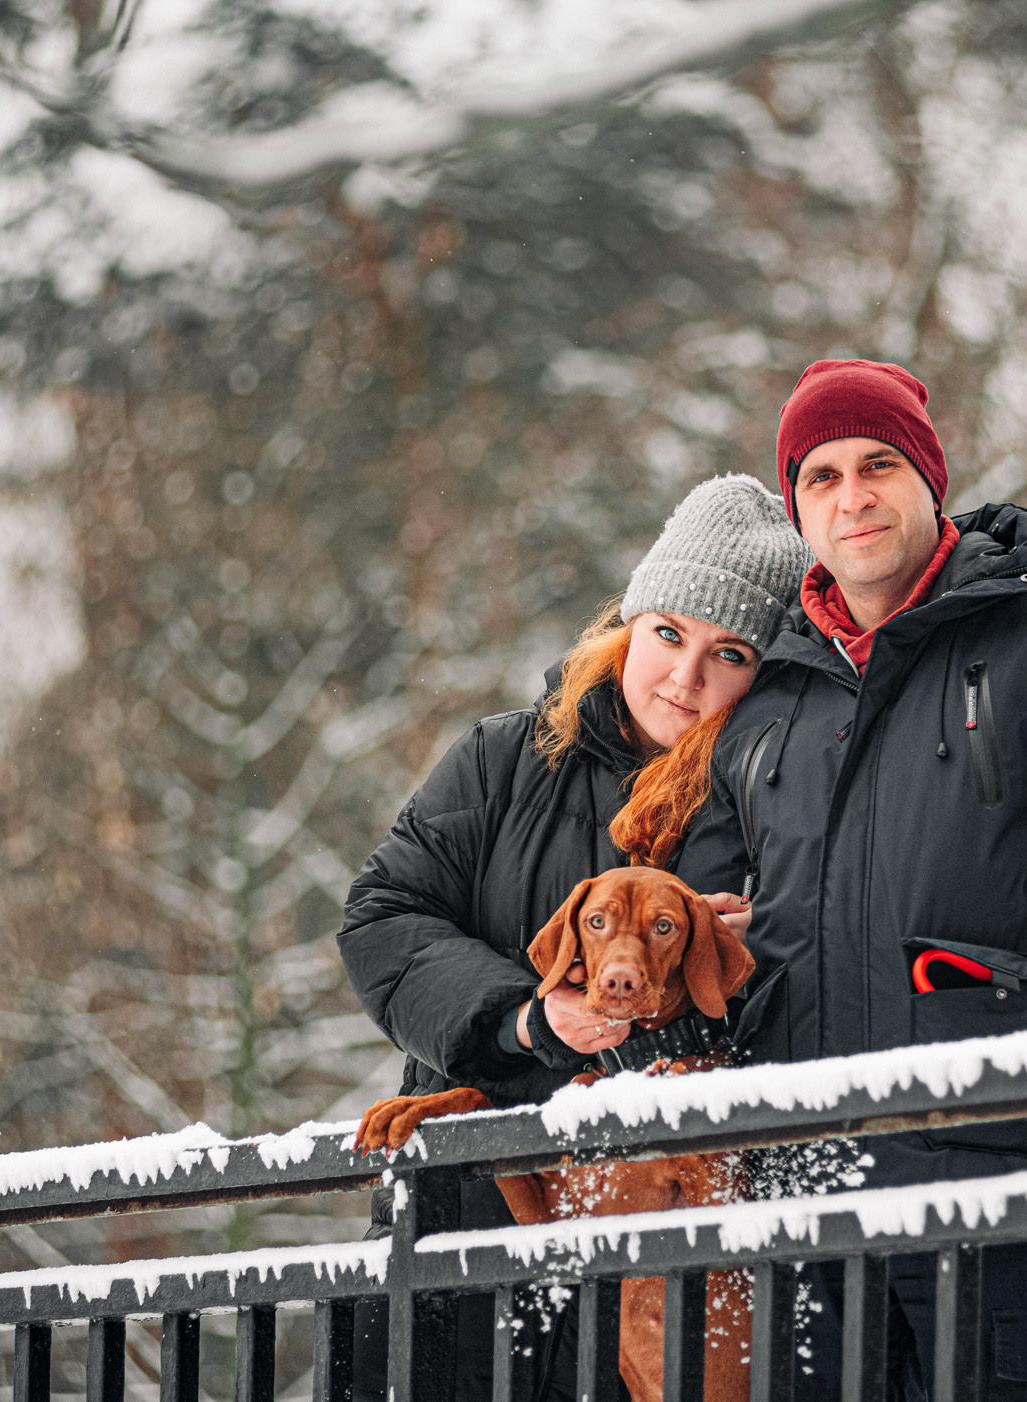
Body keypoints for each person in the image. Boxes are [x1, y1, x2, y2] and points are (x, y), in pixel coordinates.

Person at [675, 361, 1027, 1399]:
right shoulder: (769, 696)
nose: (852, 496)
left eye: (877, 464)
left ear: (928, 475)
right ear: (799, 507)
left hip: (992, 1166)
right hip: (801, 1196)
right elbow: (709, 921)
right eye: (820, 476)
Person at [336, 472, 814, 1401]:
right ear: (628, 625)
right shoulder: (505, 759)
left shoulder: (769, 806)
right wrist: (522, 1018)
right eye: (668, 633)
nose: (685, 676)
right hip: (467, 1235)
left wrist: (747, 954)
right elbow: (382, 914)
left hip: (661, 1260)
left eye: (731, 654)